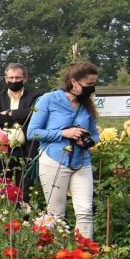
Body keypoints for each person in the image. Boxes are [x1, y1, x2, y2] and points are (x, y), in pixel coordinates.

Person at [28, 61, 101, 239]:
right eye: (89, 84)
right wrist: (63, 133)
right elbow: (32, 133)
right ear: (75, 82)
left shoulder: (87, 105)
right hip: (54, 160)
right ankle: (55, 258)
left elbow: (95, 134)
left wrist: (88, 141)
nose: (92, 88)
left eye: (94, 84)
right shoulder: (49, 99)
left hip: (81, 161)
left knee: (85, 210)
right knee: (56, 214)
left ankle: (85, 256)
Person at [0, 63, 39, 188]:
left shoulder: (34, 96)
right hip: (2, 149)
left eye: (18, 78)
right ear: (6, 78)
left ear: (25, 78)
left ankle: (23, 206)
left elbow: (34, 113)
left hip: (25, 149)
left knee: (24, 187)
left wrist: (9, 112)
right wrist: (20, 116)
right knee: (0, 186)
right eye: (11, 78)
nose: (14, 81)